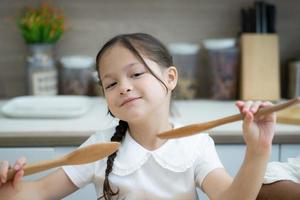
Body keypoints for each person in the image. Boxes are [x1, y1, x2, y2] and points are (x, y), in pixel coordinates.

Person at [0, 33, 276, 200]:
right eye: (110, 84)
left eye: (136, 73)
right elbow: (40, 192)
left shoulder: (196, 144)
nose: (124, 87)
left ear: (170, 78)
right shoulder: (99, 147)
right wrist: (8, 188)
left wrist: (259, 149)